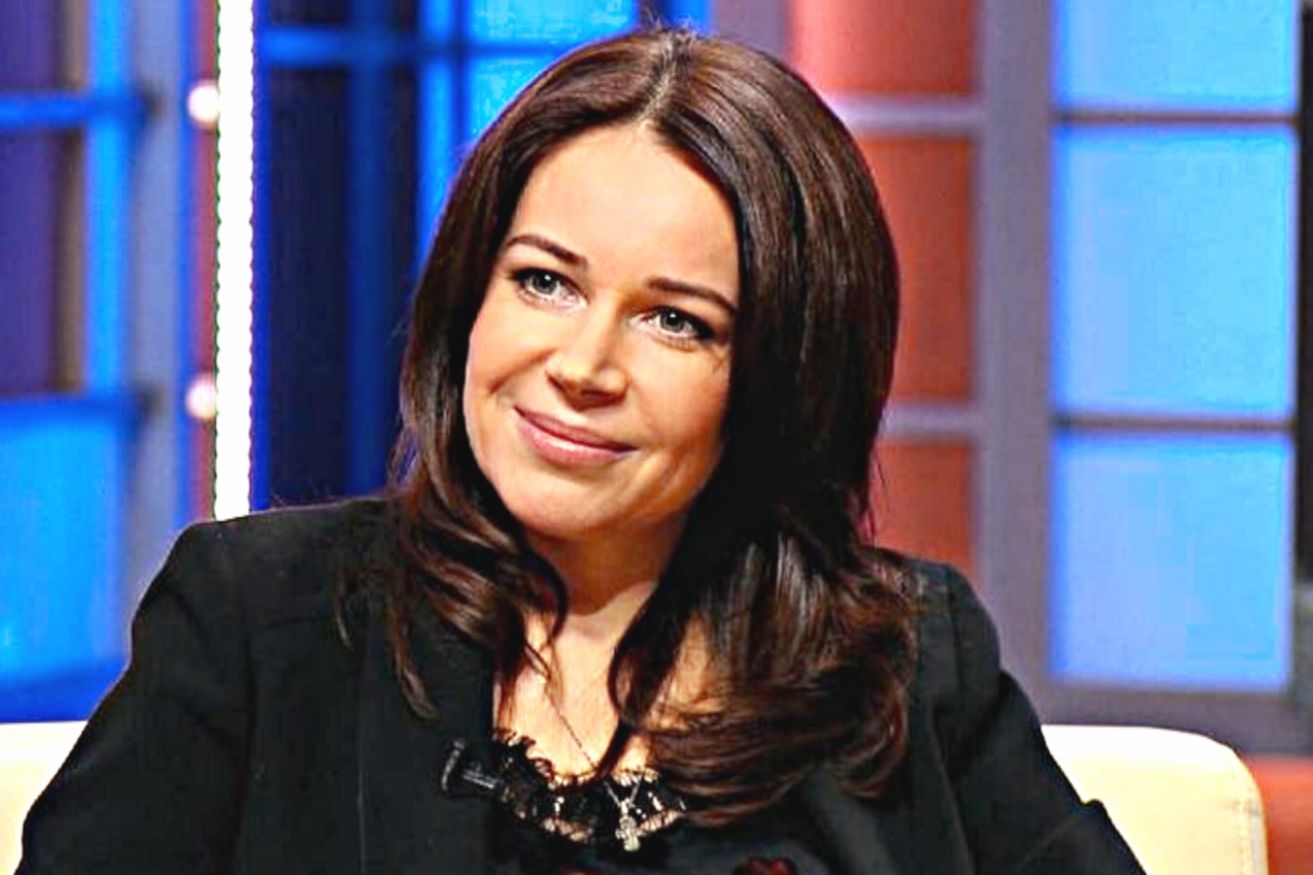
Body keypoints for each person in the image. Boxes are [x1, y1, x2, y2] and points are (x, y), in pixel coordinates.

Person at [18, 27, 1143, 875]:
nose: (583, 364)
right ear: (469, 296)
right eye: (544, 281)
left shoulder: (903, 663)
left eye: (676, 320)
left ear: (780, 378)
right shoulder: (261, 622)